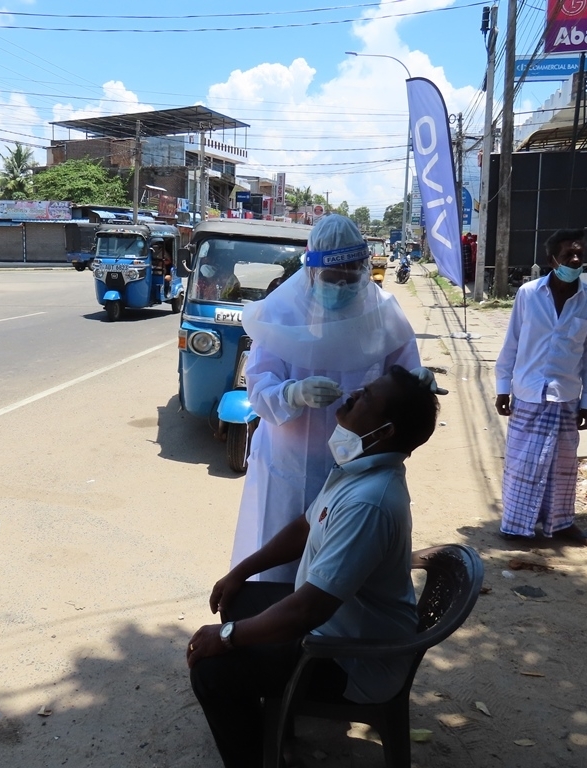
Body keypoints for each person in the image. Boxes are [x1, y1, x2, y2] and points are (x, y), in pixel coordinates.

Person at [187, 366, 445, 768]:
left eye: (368, 397)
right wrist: (240, 572)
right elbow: (305, 526)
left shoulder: (369, 502)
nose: (355, 394)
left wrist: (227, 638)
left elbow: (308, 611)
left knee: (212, 672)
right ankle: (269, 726)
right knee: (238, 601)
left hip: (352, 658)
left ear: (386, 430)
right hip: (337, 624)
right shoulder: (357, 468)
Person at [229, 215, 420, 583]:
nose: (343, 286)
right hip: (289, 464)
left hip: (361, 466)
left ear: (364, 268)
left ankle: (332, 634)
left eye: (351, 277)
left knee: (344, 569)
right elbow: (258, 386)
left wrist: (417, 383)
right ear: (312, 271)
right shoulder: (280, 313)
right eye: (333, 278)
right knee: (280, 567)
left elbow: (405, 378)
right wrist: (292, 392)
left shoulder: (383, 313)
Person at [495, 228, 587, 545]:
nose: (574, 259)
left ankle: (561, 524)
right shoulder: (528, 295)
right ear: (551, 259)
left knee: (562, 468)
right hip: (528, 393)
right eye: (568, 254)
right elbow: (512, 343)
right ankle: (516, 526)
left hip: (566, 397)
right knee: (522, 465)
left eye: (579, 255)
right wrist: (503, 386)